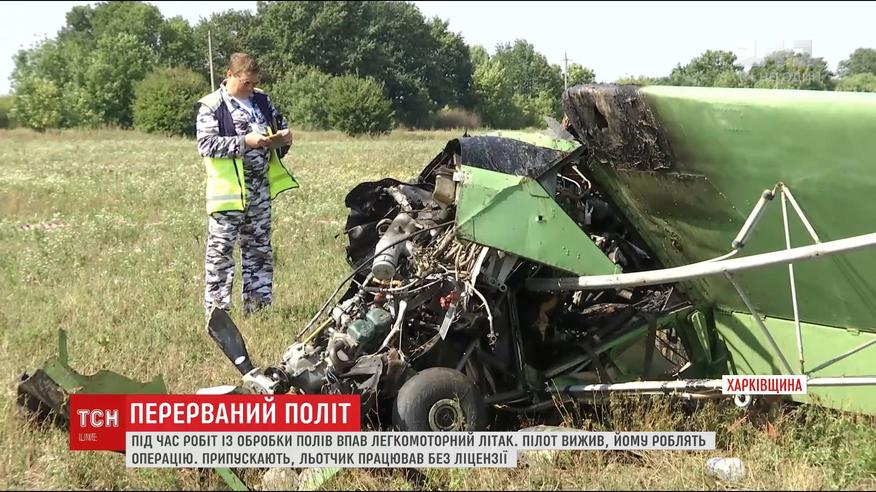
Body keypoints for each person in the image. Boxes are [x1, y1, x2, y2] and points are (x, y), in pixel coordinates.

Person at [195, 52, 298, 317]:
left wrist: (284, 137)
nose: (250, 88)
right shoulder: (212, 105)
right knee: (220, 255)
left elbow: (278, 124)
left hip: (259, 190)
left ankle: (258, 310)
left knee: (259, 251)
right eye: (245, 83)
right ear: (229, 75)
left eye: (254, 83)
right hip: (228, 193)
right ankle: (218, 313)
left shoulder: (261, 100)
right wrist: (245, 142)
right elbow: (206, 145)